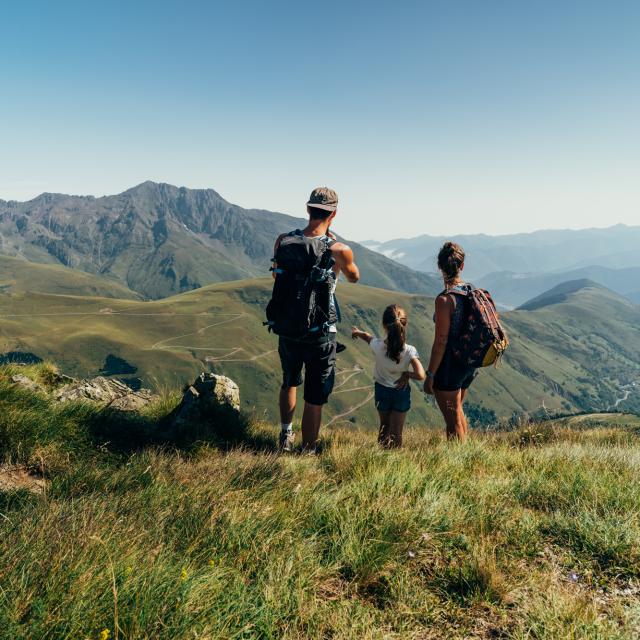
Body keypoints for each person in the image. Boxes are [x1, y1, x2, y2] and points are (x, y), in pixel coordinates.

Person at [273, 187, 360, 452]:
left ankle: (286, 435)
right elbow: (354, 277)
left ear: (308, 209)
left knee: (289, 380)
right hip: (321, 330)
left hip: (288, 324)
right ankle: (308, 450)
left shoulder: (283, 241)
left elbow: (278, 277)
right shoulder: (338, 249)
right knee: (315, 394)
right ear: (334, 213)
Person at [423, 242, 477, 440]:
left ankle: (459, 464)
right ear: (461, 266)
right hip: (468, 362)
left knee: (452, 422)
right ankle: (467, 456)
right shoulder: (470, 290)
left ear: (439, 267)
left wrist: (430, 374)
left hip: (449, 366)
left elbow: (441, 342)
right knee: (457, 412)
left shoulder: (444, 300)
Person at [351, 305, 425, 448]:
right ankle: (395, 460)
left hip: (382, 391)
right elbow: (421, 375)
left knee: (384, 426)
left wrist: (357, 332)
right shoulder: (410, 351)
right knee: (397, 432)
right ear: (405, 324)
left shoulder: (377, 346)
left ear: (384, 325)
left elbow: (367, 337)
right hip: (401, 392)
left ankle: (381, 455)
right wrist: (406, 374)